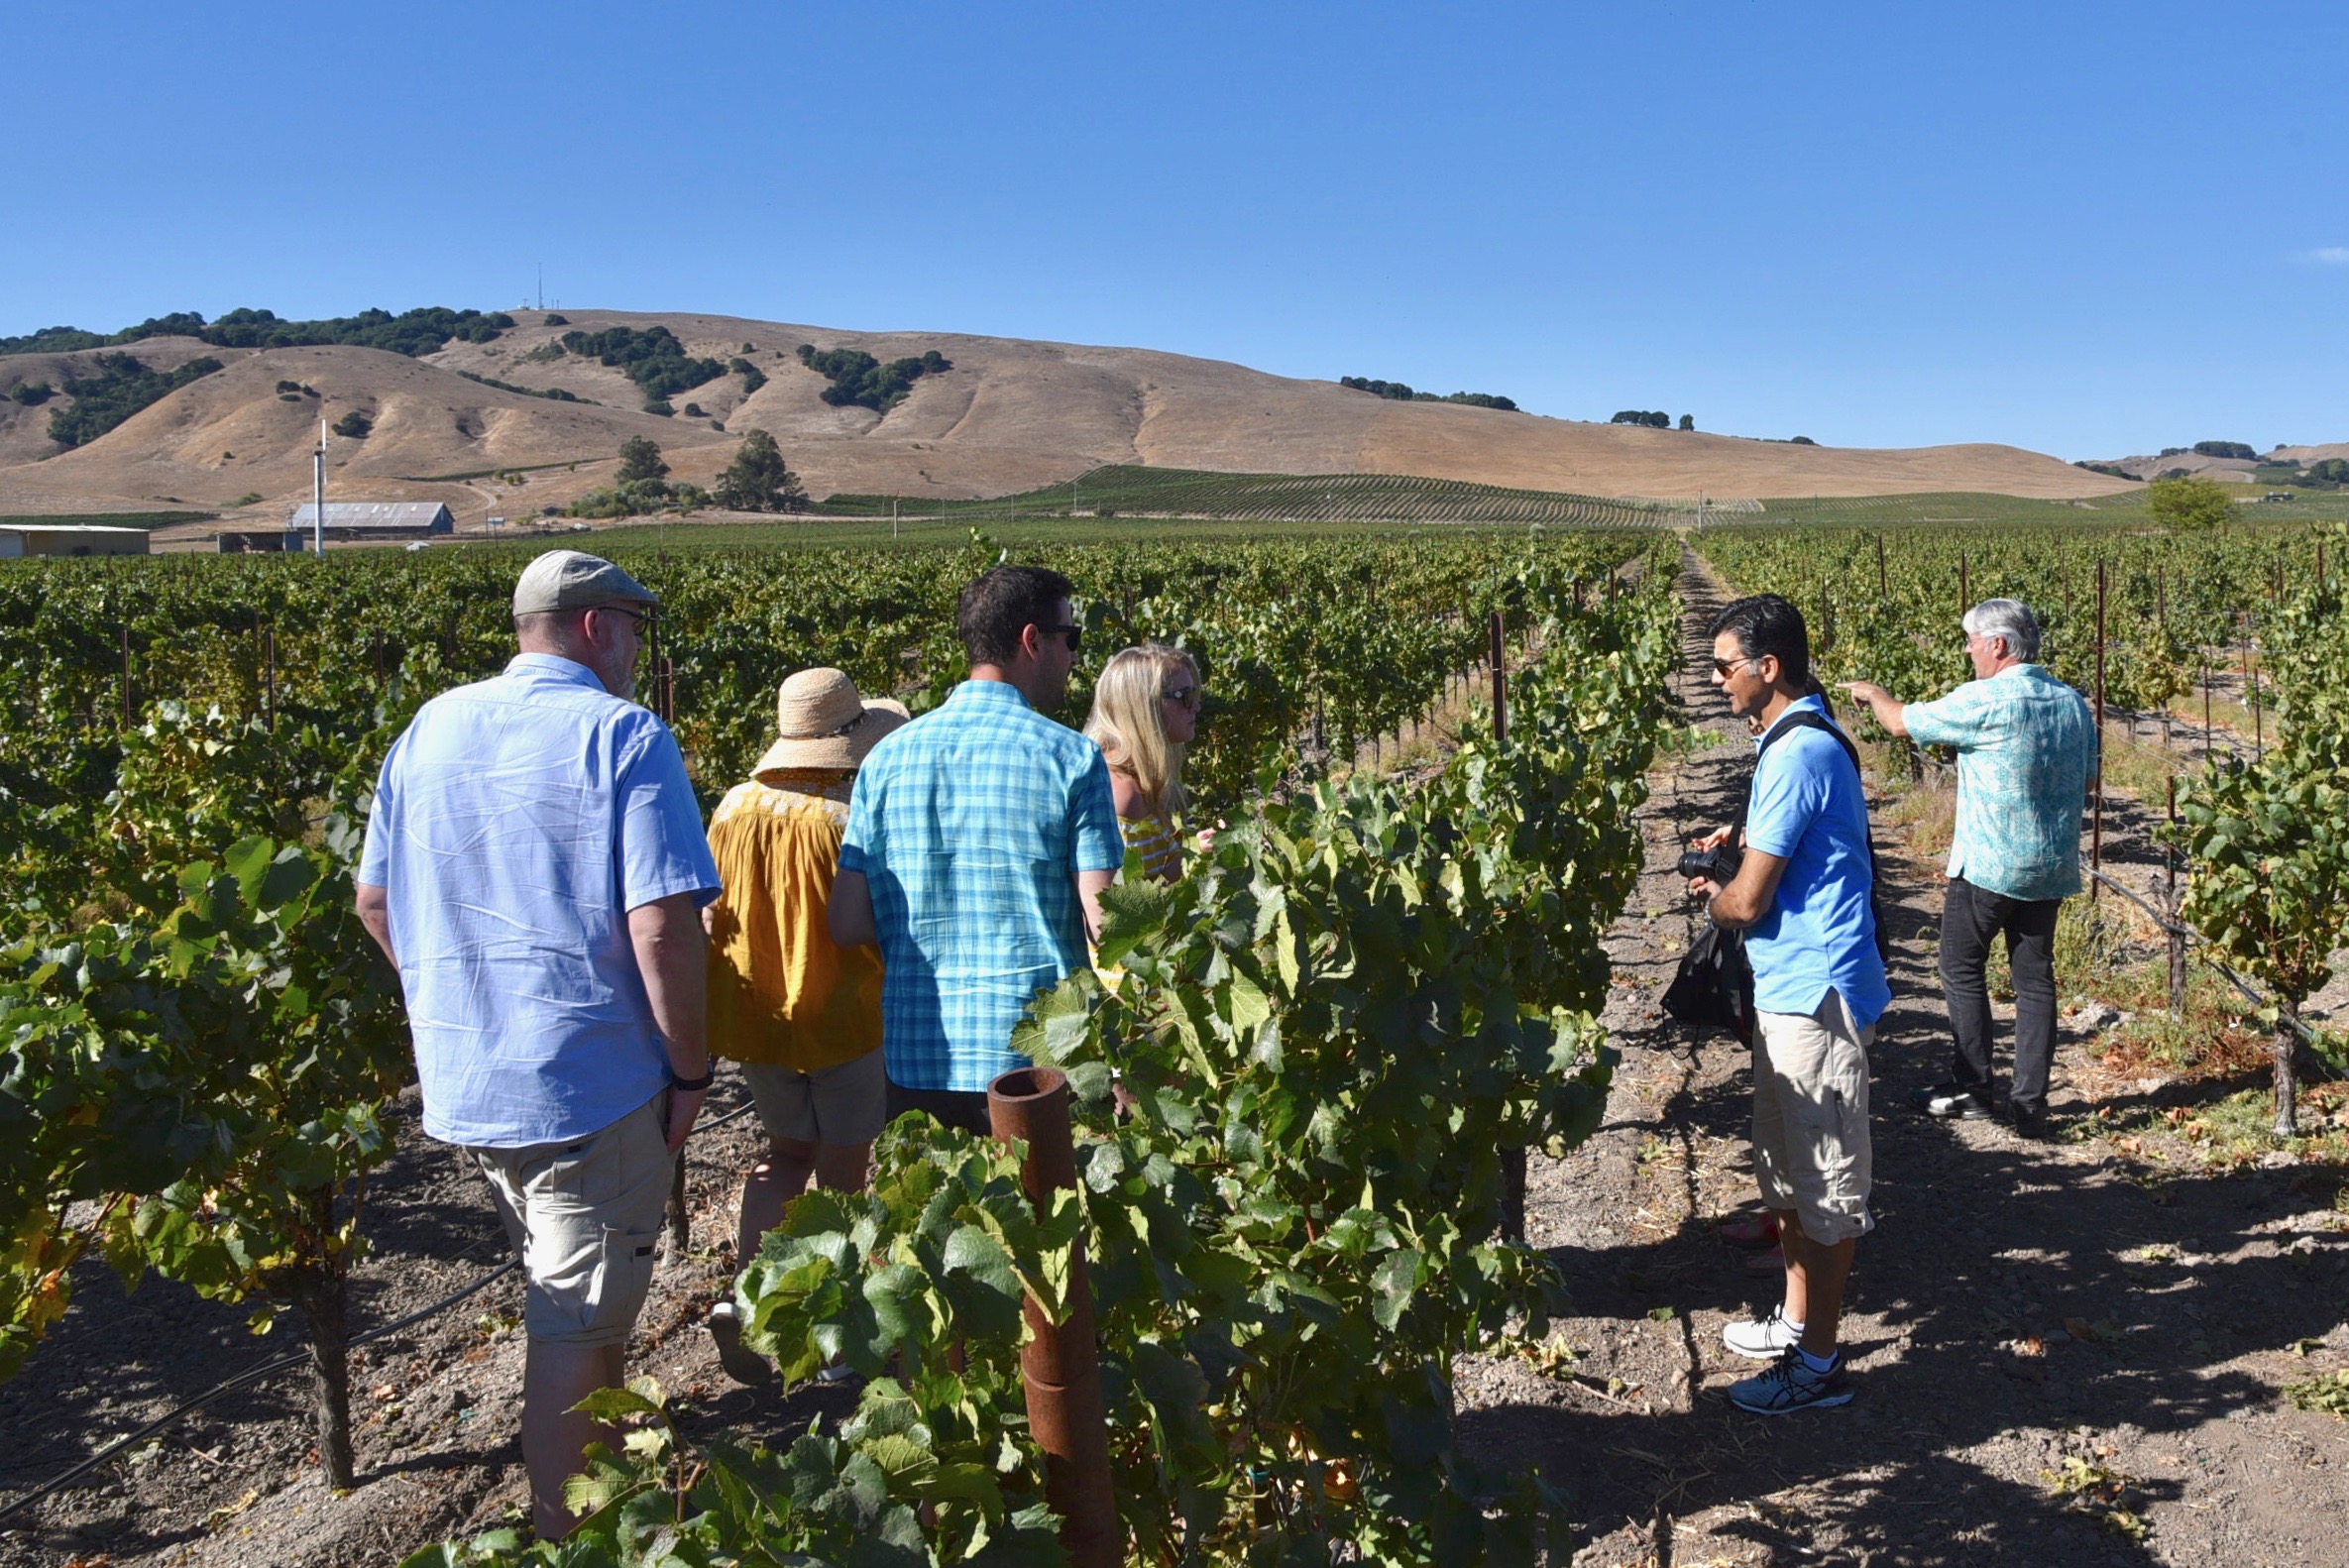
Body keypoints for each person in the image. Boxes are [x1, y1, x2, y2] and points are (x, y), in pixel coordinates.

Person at [354, 549, 720, 1539]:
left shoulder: (429, 727)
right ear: (595, 626)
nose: (640, 647)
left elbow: (376, 900)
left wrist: (459, 1004)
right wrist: (691, 1065)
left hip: (474, 1086)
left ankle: (608, 1509)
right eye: (634, 627)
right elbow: (660, 926)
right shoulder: (624, 734)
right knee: (572, 1323)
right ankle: (572, 1540)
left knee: (574, 1298)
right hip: (588, 1088)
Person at [829, 565, 1125, 1133]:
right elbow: (1107, 924)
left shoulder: (885, 762)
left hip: (919, 1058)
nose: (1074, 657)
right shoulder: (1071, 759)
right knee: (1048, 1218)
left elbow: (846, 921)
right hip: (1039, 1063)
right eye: (1071, 639)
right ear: (1032, 641)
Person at [1689, 594, 1888, 1415]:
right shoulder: (1793, 741)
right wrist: (1739, 851)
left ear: (1767, 669)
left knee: (1827, 1187)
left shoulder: (1798, 753)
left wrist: (1713, 895)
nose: (1715, 680)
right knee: (1794, 1177)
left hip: (1819, 997)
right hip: (1793, 989)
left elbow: (1749, 904)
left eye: (1724, 666)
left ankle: (1818, 1365)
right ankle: (1797, 1323)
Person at [699, 667, 907, 1386]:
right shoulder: (847, 818)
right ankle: (837, 1339)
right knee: (843, 1179)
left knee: (783, 1158)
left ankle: (753, 1304)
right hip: (843, 1017)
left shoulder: (731, 807)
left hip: (759, 1019)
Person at [1839, 599, 2095, 1140]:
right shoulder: (2073, 704)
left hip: (1988, 865)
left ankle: (1973, 1090)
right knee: (2034, 981)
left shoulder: (1986, 700)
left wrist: (1873, 695)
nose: (1967, 649)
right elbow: (2088, 782)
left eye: (1972, 640)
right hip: (2049, 866)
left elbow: (1903, 724)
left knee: (1959, 968)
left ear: (1997, 646)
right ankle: (2030, 1105)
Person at [1081, 644, 1203, 884]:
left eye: (1195, 695)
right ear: (1146, 706)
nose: (1196, 706)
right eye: (1185, 696)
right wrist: (1195, 856)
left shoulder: (1137, 779)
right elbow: (1129, 907)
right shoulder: (1123, 794)